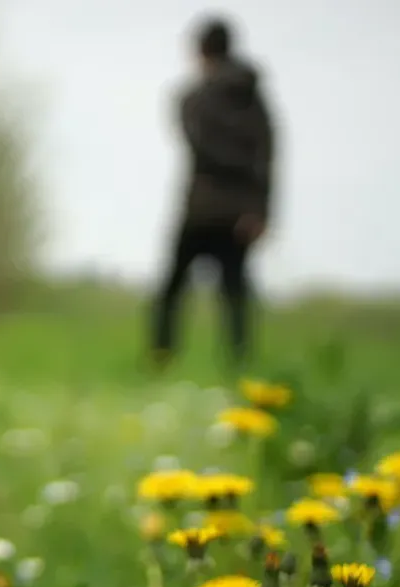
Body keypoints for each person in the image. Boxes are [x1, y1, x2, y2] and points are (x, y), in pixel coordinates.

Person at [151, 16, 275, 372]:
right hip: (240, 212)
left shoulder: (191, 98)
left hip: (201, 208)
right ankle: (239, 364)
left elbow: (198, 146)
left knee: (173, 290)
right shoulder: (255, 100)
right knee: (234, 293)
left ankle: (161, 357)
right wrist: (260, 210)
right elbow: (267, 155)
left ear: (200, 51)